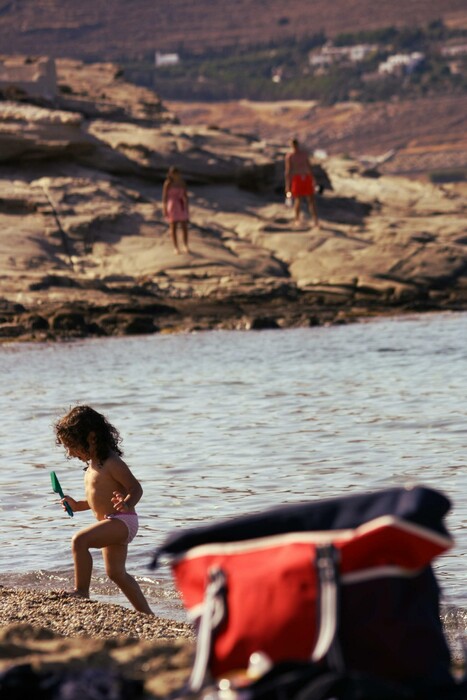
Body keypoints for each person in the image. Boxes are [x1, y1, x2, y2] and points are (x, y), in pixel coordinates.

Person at [54, 405, 153, 615]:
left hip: (122, 520)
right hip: (112, 519)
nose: (70, 453)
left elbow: (136, 488)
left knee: (80, 541)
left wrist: (127, 502)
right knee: (117, 573)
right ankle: (147, 614)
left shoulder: (111, 463)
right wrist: (76, 505)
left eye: (72, 446)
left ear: (91, 438)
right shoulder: (92, 466)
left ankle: (81, 591)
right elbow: (96, 501)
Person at [284, 138, 320, 228]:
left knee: (311, 200)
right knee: (298, 200)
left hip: (306, 178)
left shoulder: (303, 155)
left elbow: (309, 166)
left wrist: (313, 180)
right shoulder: (290, 156)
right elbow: (288, 171)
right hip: (297, 178)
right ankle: (297, 220)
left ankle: (315, 220)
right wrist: (288, 185)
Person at [162, 166, 190, 254]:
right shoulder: (168, 183)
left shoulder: (182, 183)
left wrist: (187, 208)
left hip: (181, 205)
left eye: (176, 173)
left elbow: (185, 196)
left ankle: (185, 245)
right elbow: (165, 197)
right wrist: (164, 208)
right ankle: (176, 247)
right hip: (172, 205)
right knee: (173, 227)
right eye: (173, 174)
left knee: (184, 226)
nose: (175, 175)